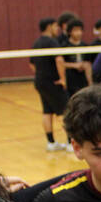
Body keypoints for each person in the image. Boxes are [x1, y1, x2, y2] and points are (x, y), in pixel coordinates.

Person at [31, 17, 68, 151]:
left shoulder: (36, 43)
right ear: (49, 27)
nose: (57, 29)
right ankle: (70, 143)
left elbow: (31, 63)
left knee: (47, 111)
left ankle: (51, 143)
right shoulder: (52, 42)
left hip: (40, 81)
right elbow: (59, 60)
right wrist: (63, 78)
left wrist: (41, 74)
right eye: (55, 26)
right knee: (66, 111)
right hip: (53, 82)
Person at [59, 18, 93, 99]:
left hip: (83, 80)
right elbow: (61, 63)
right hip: (71, 80)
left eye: (80, 30)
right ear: (69, 32)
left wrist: (90, 82)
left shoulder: (85, 46)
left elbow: (88, 63)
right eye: (75, 30)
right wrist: (74, 65)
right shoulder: (64, 46)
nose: (79, 33)